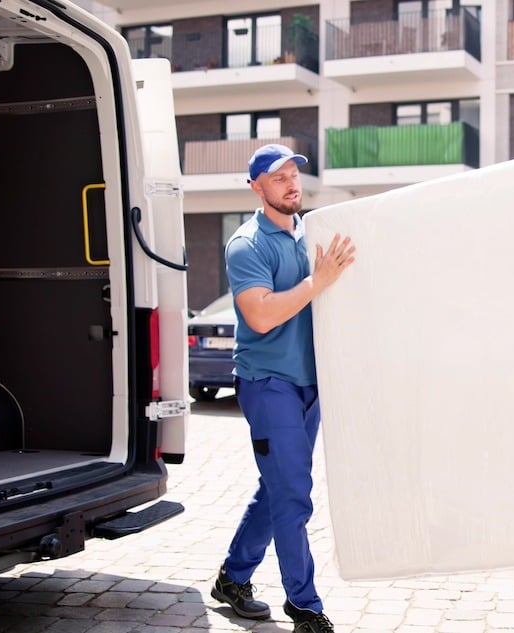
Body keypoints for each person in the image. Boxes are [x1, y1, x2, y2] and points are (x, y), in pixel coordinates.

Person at [211, 143, 355, 633]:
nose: (292, 183)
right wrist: (320, 280)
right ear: (257, 186)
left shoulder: (310, 233)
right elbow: (262, 313)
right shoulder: (247, 244)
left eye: (295, 174)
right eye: (279, 177)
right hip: (268, 384)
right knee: (293, 495)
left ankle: (232, 578)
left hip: (309, 386)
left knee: (277, 489)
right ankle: (304, 605)